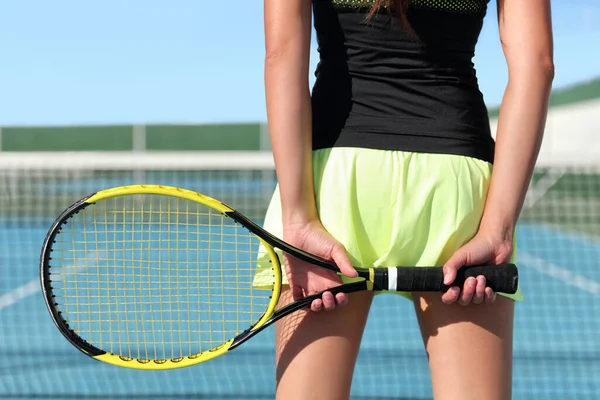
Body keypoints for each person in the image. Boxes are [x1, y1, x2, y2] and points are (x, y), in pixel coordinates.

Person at [262, 0, 554, 398]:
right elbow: (536, 64)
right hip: (457, 191)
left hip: (332, 185)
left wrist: (297, 220)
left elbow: (281, 54)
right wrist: (496, 227)